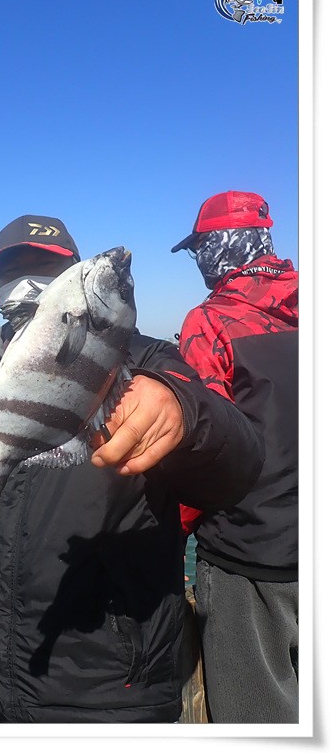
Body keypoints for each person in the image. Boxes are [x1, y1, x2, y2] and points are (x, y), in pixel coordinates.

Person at [0, 213, 264, 724]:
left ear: (73, 276)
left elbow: (239, 465)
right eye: (11, 271)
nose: (26, 282)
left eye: (46, 266)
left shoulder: (150, 363)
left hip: (111, 695)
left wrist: (184, 411)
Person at [171, 190, 298, 723]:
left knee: (256, 721)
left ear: (222, 245)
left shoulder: (210, 323)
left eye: (201, 248)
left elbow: (205, 452)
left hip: (249, 562)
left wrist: (168, 537)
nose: (200, 261)